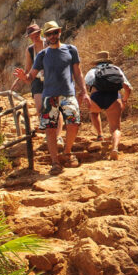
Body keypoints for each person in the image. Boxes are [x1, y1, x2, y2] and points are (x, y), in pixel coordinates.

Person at [13, 20, 87, 171]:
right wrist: (23, 78)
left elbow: (77, 73)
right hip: (49, 95)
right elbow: (31, 77)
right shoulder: (41, 55)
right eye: (49, 34)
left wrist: (84, 91)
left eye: (55, 32)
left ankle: (67, 152)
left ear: (59, 32)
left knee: (73, 124)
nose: (52, 36)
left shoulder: (71, 50)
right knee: (50, 129)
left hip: (68, 94)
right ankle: (55, 162)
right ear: (45, 36)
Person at [84, 50, 134, 159]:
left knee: (93, 113)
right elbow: (128, 88)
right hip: (114, 98)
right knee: (115, 128)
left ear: (96, 61)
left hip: (96, 97)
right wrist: (124, 100)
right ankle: (115, 149)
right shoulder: (116, 69)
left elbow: (85, 86)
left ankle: (100, 135)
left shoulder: (92, 71)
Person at [22, 23, 45, 123]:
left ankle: (56, 135)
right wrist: (19, 80)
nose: (34, 38)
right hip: (37, 79)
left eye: (36, 35)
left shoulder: (49, 44)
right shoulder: (30, 50)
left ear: (40, 32)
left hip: (51, 78)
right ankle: (46, 131)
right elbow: (27, 69)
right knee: (40, 108)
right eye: (31, 37)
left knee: (54, 108)